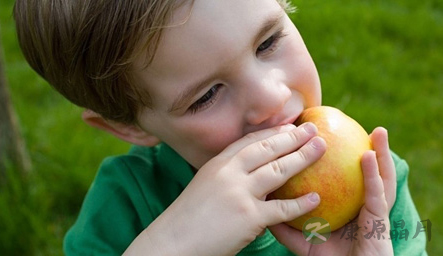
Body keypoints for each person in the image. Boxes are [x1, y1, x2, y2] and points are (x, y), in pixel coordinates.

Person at [13, 0, 427, 255]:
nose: (271, 98)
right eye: (207, 95)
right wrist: (173, 247)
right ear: (130, 127)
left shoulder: (372, 181)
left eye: (267, 42)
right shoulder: (125, 210)